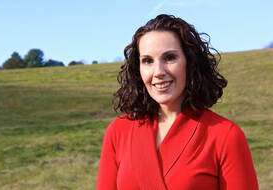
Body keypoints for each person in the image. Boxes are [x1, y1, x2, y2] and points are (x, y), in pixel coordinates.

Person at [96, 14, 258, 190]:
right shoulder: (118, 132)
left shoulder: (226, 136)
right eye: (147, 61)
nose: (158, 71)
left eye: (170, 58)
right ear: (138, 69)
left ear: (190, 62)